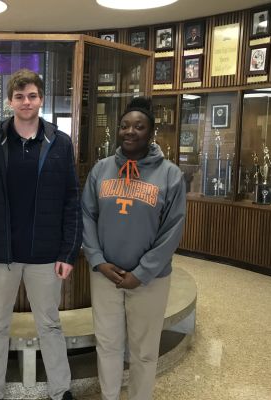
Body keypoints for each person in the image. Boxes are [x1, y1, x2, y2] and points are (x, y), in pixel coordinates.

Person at [0, 69, 82, 400]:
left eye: (32, 96)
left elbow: (72, 200)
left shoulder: (59, 143)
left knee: (50, 325)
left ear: (41, 99)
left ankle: (61, 391)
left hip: (46, 256)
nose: (26, 102)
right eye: (19, 97)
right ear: (9, 101)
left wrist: (68, 252)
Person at [81, 97, 186, 400]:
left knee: (143, 350)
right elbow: (87, 215)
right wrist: (98, 261)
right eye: (125, 126)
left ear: (151, 132)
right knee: (108, 345)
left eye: (139, 127)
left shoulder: (170, 176)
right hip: (105, 277)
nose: (130, 131)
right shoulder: (101, 171)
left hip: (150, 281)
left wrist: (142, 273)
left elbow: (172, 230)